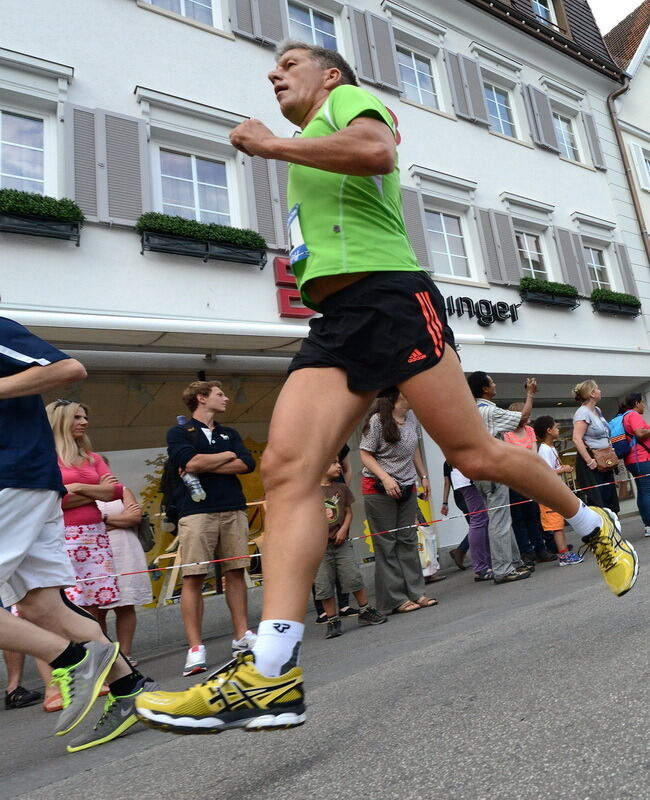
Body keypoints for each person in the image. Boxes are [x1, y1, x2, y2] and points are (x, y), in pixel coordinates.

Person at [136, 42, 637, 736]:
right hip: (336, 320)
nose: (275, 73)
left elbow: (375, 150)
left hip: (393, 300)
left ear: (330, 74)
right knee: (287, 470)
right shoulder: (310, 140)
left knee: (475, 455)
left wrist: (275, 144)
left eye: (289, 62)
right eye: (272, 69)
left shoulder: (343, 105)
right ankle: (271, 673)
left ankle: (593, 525)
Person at [0, 316, 155, 753]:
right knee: (42, 605)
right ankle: (130, 691)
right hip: (29, 485)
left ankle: (73, 658)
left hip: (12, 480)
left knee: (44, 612)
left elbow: (68, 368)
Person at [166, 380, 257, 677]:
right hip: (196, 513)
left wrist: (209, 462)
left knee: (236, 571)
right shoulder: (179, 432)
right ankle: (195, 648)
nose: (226, 398)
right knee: (193, 576)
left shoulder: (230, 433)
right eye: (220, 394)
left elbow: (246, 464)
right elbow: (189, 462)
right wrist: (225, 457)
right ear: (201, 398)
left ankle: (242, 635)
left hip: (232, 508)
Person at [359, 388, 435, 614]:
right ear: (400, 395)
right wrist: (385, 477)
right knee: (387, 544)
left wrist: (423, 477)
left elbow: (414, 451)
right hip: (378, 488)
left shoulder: (411, 417)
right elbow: (365, 453)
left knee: (408, 539)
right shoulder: (377, 421)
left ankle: (416, 592)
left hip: (407, 485)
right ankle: (395, 598)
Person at [46, 401, 123, 615]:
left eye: (85, 417)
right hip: (60, 536)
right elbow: (52, 502)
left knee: (94, 602)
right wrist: (96, 490)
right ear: (60, 421)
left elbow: (116, 492)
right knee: (70, 602)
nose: (85, 422)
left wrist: (77, 487)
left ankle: (96, 647)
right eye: (77, 417)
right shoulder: (46, 459)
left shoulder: (93, 458)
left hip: (95, 536)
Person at [467, 373, 534, 584]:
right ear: (485, 388)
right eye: (492, 382)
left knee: (501, 519)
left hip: (480, 472)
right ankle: (503, 569)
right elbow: (522, 418)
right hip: (493, 471)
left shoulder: (471, 411)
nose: (495, 384)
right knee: (499, 521)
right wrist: (530, 395)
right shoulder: (488, 410)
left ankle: (513, 561)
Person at [315, 460, 386, 639]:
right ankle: (332, 620)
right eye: (333, 462)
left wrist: (343, 529)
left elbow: (348, 512)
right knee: (324, 584)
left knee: (353, 575)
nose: (339, 466)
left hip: (342, 543)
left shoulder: (342, 488)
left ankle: (365, 610)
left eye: (339, 462)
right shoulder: (310, 492)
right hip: (319, 549)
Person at [95, 456, 153, 666]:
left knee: (126, 605)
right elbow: (83, 523)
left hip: (126, 551)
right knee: (97, 609)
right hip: (96, 555)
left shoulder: (121, 490)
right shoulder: (79, 495)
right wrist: (116, 521)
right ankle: (105, 657)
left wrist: (104, 520)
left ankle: (126, 654)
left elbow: (134, 518)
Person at [503, 404, 556, 565]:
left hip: (530, 477)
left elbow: (533, 453)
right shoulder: (506, 433)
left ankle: (540, 549)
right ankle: (526, 551)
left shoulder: (530, 430)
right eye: (525, 415)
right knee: (518, 517)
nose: (529, 418)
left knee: (533, 515)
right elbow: (511, 454)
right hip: (514, 478)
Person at [534, 417, 584, 566]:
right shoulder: (544, 449)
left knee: (559, 523)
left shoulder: (550, 448)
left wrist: (562, 470)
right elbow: (546, 473)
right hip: (549, 493)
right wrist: (562, 469)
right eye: (556, 427)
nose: (558, 429)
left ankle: (564, 553)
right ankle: (564, 555)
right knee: (556, 526)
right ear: (549, 431)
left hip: (555, 491)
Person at [571, 380, 620, 514]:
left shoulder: (597, 410)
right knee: (599, 501)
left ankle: (614, 533)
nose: (600, 391)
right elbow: (576, 438)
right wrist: (589, 461)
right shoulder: (582, 413)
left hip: (605, 459)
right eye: (597, 389)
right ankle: (602, 533)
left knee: (611, 499)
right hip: (593, 461)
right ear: (592, 393)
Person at [444, 463, 492, 582]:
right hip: (468, 480)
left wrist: (444, 503)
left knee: (481, 521)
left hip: (465, 481)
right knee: (479, 521)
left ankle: (485, 564)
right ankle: (481, 566)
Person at [616, 393, 650, 536]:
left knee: (643, 491)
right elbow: (640, 433)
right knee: (647, 491)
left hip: (633, 460)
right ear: (636, 403)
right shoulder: (634, 415)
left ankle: (648, 524)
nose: (643, 405)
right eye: (642, 402)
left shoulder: (625, 416)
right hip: (642, 459)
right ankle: (649, 524)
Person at [441, 461, 470, 571]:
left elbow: (446, 483)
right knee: (479, 525)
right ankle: (460, 550)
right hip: (467, 496)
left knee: (477, 525)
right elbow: (447, 483)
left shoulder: (446, 463)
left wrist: (445, 503)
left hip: (459, 498)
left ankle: (459, 551)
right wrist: (444, 503)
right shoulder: (457, 458)